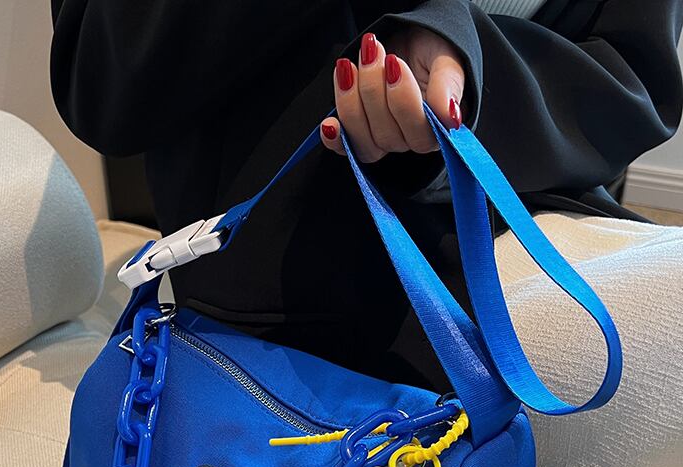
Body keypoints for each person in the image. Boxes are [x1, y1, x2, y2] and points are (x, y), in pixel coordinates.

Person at [50, 1, 683, 391]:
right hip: (284, 309)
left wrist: (466, 60)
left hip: (526, 225)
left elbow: (633, 77)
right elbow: (103, 76)